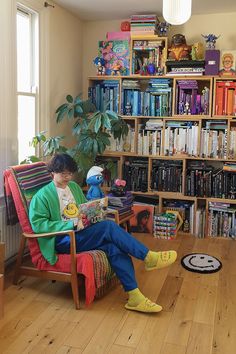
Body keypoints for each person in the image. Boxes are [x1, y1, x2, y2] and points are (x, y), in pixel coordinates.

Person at [29, 153, 177, 313]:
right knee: (108, 227)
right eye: (63, 173)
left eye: (70, 173)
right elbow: (39, 225)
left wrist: (96, 210)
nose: (67, 177)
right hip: (63, 240)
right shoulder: (42, 196)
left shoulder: (74, 187)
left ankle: (135, 297)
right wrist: (68, 224)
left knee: (114, 246)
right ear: (53, 172)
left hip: (82, 233)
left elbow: (84, 208)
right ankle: (148, 257)